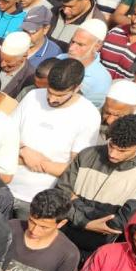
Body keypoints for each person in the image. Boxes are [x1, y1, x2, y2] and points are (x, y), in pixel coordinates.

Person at [53, 113, 136, 255]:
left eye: (122, 151)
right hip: (60, 236)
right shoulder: (87, 155)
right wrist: (86, 223)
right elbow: (59, 196)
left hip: (96, 250)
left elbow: (118, 224)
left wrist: (76, 202)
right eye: (111, 146)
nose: (113, 154)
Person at [9, 58, 101, 213]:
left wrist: (37, 162)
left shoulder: (89, 115)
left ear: (77, 88)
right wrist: (24, 151)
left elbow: (75, 169)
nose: (52, 99)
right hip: (5, 185)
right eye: (49, 92)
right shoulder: (32, 96)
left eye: (60, 95)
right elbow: (6, 136)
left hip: (39, 200)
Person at [1, 189, 80, 271]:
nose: (34, 230)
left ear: (61, 223)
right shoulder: (11, 228)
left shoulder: (68, 253)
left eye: (44, 227)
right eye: (32, 221)